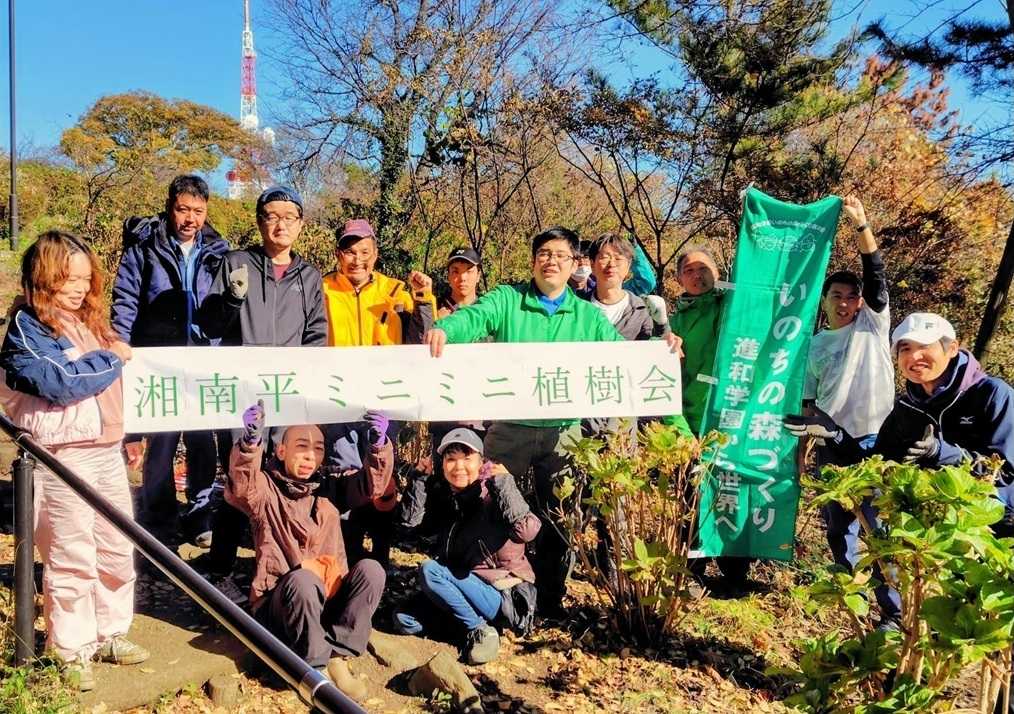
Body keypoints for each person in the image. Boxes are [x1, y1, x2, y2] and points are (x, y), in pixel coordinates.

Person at [425, 226, 681, 615]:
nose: (552, 262)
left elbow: (621, 356)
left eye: (562, 256)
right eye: (544, 253)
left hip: (565, 432)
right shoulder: (508, 300)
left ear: (575, 264)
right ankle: (474, 582)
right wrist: (445, 329)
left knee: (559, 515)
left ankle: (548, 597)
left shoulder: (585, 316)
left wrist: (662, 348)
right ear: (533, 261)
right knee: (484, 499)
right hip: (511, 427)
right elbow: (474, 318)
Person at [0, 232, 148, 691]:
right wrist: (111, 360)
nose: (80, 288)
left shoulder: (90, 323)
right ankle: (71, 649)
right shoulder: (26, 327)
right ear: (44, 276)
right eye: (70, 278)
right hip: (61, 458)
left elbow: (117, 382)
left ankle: (110, 633)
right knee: (70, 555)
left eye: (86, 279)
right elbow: (58, 382)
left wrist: (129, 434)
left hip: (105, 452)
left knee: (117, 547)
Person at [198, 185, 327, 601]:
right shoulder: (237, 263)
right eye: (273, 215)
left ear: (301, 225)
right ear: (259, 221)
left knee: (283, 477)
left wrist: (305, 387)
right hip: (243, 394)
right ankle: (219, 568)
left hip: (288, 395)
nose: (281, 223)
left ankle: (275, 567)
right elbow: (211, 326)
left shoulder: (308, 276)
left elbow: (316, 336)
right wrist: (233, 298)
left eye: (290, 216)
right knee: (241, 477)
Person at [225, 401, 388, 702]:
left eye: (318, 448)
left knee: (371, 571)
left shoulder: (330, 487)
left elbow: (371, 486)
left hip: (325, 600)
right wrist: (248, 444)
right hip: (280, 605)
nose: (310, 456)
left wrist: (378, 446)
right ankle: (316, 668)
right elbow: (241, 486)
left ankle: (338, 654)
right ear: (281, 451)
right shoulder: (264, 489)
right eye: (302, 446)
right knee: (303, 580)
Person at [111, 174, 229, 543]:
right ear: (170, 206)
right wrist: (119, 343)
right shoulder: (145, 246)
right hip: (156, 357)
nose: (190, 218)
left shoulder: (217, 250)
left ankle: (199, 512)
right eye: (183, 209)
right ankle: (158, 515)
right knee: (160, 441)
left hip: (202, 359)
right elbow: (126, 299)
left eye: (198, 211)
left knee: (201, 440)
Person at [799, 195, 900, 624]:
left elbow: (875, 277)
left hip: (876, 441)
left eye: (851, 296)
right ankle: (847, 601)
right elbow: (808, 402)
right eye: (836, 295)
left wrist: (861, 226)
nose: (845, 302)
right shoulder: (815, 345)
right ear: (824, 301)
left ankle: (892, 614)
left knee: (880, 531)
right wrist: (802, 449)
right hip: (831, 446)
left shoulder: (873, 327)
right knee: (840, 529)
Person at [393, 428, 540, 664]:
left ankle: (481, 629)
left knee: (431, 571)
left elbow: (527, 530)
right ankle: (465, 624)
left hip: (501, 595)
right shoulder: (447, 498)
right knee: (404, 619)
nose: (458, 466)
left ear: (481, 462)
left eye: (467, 458)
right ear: (443, 464)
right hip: (461, 585)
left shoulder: (494, 495)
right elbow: (410, 524)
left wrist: (503, 481)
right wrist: (419, 481)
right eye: (451, 459)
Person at [321, 218, 435, 347]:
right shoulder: (320, 292)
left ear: (375, 255)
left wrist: (423, 299)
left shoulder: (394, 293)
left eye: (365, 252)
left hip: (386, 367)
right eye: (350, 253)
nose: (357, 261)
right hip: (336, 367)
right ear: (338, 255)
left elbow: (422, 340)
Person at [437, 246, 482, 318]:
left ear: (478, 276)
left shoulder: (486, 309)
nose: (462, 278)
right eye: (455, 271)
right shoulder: (435, 309)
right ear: (448, 276)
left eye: (469, 271)